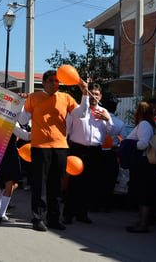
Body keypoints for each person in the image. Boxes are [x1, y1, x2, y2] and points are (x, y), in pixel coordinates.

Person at [18, 69, 88, 232]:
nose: (54, 84)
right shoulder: (33, 97)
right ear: (43, 82)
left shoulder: (65, 98)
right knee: (40, 186)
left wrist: (84, 94)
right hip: (40, 147)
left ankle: (54, 219)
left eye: (57, 81)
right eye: (51, 81)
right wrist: (21, 104)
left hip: (61, 147)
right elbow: (22, 120)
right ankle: (38, 219)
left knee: (56, 187)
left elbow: (82, 114)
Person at [63, 82, 115, 224]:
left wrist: (108, 120)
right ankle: (68, 213)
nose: (94, 97)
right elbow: (66, 129)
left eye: (96, 94)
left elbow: (112, 132)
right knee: (74, 184)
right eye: (91, 94)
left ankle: (82, 213)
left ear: (100, 96)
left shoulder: (104, 112)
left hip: (95, 151)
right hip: (78, 149)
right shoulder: (77, 110)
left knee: (89, 184)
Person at [125, 101, 156, 233]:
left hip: (143, 163)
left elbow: (143, 144)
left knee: (143, 194)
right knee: (146, 193)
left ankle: (142, 224)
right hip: (149, 164)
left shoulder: (144, 124)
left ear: (140, 112)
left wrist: (129, 144)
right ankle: (143, 221)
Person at [0, 123, 31, 223]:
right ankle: (0, 213)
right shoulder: (11, 120)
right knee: (11, 183)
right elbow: (25, 136)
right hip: (8, 154)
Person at [99, 98, 128, 212]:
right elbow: (124, 140)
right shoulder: (120, 123)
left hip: (98, 151)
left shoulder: (99, 120)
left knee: (97, 177)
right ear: (115, 110)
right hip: (111, 153)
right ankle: (107, 204)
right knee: (110, 180)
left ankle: (94, 203)